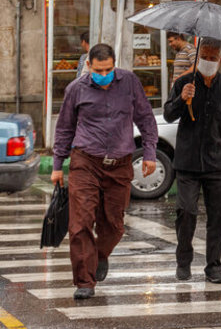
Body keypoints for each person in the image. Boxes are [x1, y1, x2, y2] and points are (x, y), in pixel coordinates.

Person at [51, 43, 158, 300]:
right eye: (99, 70)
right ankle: (84, 282)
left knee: (114, 225)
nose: (104, 75)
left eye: (109, 69)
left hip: (119, 164)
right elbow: (64, 128)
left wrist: (150, 152)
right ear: (89, 66)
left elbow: (145, 118)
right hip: (85, 162)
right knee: (80, 224)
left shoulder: (130, 82)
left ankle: (99, 254)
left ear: (115, 64)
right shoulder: (76, 89)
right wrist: (57, 166)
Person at [163, 38, 221, 283]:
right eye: (203, 57)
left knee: (217, 216)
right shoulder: (184, 83)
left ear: (220, 60)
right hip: (187, 162)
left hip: (218, 161)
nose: (207, 61)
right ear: (197, 58)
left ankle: (214, 267)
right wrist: (181, 99)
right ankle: (183, 262)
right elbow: (168, 115)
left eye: (212, 58)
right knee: (186, 212)